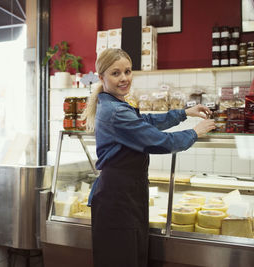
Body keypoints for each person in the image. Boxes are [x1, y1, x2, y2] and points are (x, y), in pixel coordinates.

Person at [84, 48, 215, 267]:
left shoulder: (116, 105)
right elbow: (159, 141)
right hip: (117, 200)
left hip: (125, 196)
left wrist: (184, 113)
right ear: (101, 77)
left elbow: (145, 121)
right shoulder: (115, 111)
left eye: (127, 71)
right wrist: (195, 132)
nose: (124, 78)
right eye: (116, 73)